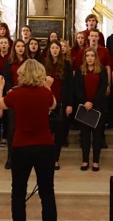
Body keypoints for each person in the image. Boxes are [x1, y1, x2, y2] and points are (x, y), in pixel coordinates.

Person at [0, 59, 58, 221]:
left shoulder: (16, 93)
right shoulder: (45, 93)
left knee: (18, 191)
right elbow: (53, 105)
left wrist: (1, 86)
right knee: (47, 191)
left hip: (21, 146)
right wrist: (48, 86)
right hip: (45, 146)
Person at [75, 47, 109, 171]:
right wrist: (85, 102)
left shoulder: (102, 70)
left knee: (97, 136)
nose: (90, 58)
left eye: (92, 55)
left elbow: (103, 88)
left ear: (96, 57)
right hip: (84, 107)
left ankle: (95, 161)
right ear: (85, 57)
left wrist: (93, 103)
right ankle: (85, 160)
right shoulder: (80, 70)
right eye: (88, 55)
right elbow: (77, 88)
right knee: (84, 136)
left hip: (98, 107)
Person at [44, 40, 74, 169]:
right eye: (52, 48)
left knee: (59, 133)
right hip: (47, 103)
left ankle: (55, 159)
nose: (55, 50)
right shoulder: (45, 64)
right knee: (47, 133)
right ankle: (47, 158)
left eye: (57, 48)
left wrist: (69, 104)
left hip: (62, 102)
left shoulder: (66, 64)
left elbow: (70, 86)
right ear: (49, 50)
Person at [2, 39, 28, 169]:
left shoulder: (29, 62)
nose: (20, 48)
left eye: (22, 46)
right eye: (18, 46)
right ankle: (10, 157)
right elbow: (6, 79)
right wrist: (9, 89)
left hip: (27, 98)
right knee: (12, 129)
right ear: (14, 48)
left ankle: (25, 158)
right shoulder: (9, 62)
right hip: (14, 98)